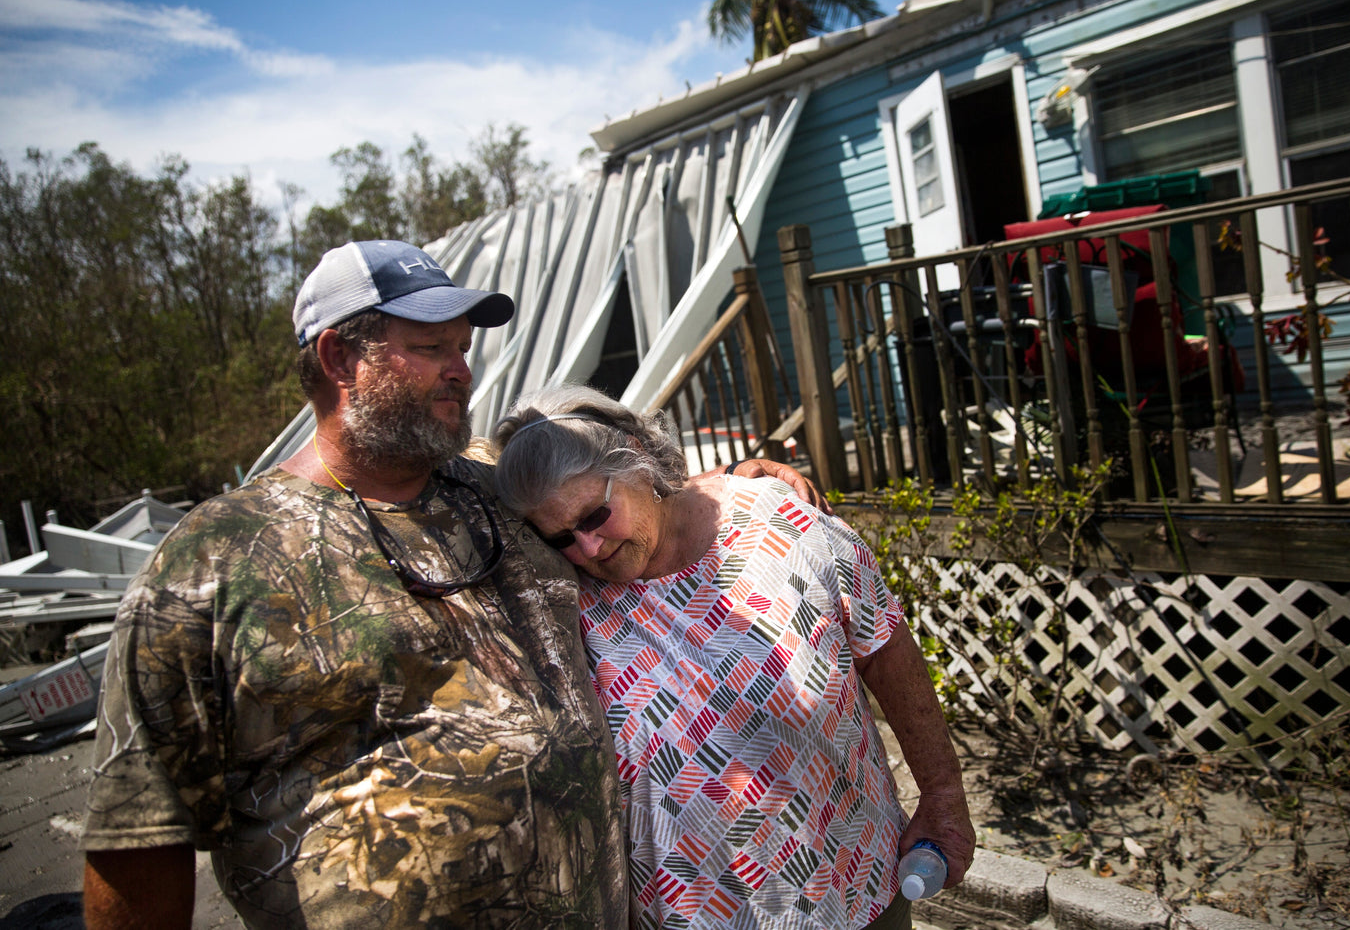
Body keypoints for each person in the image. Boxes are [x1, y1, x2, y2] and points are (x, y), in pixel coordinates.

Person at [80, 240, 814, 930]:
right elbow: (138, 837)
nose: (460, 368)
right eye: (431, 347)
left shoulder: (502, 495)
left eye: (462, 347)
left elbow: (613, 495)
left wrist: (721, 487)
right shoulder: (212, 564)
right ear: (339, 356)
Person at [491, 385, 977, 930]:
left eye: (596, 515)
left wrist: (942, 795)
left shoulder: (780, 525)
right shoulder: (563, 593)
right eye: (561, 537)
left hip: (849, 885)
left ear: (639, 458)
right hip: (687, 916)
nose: (589, 549)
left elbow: (884, 647)